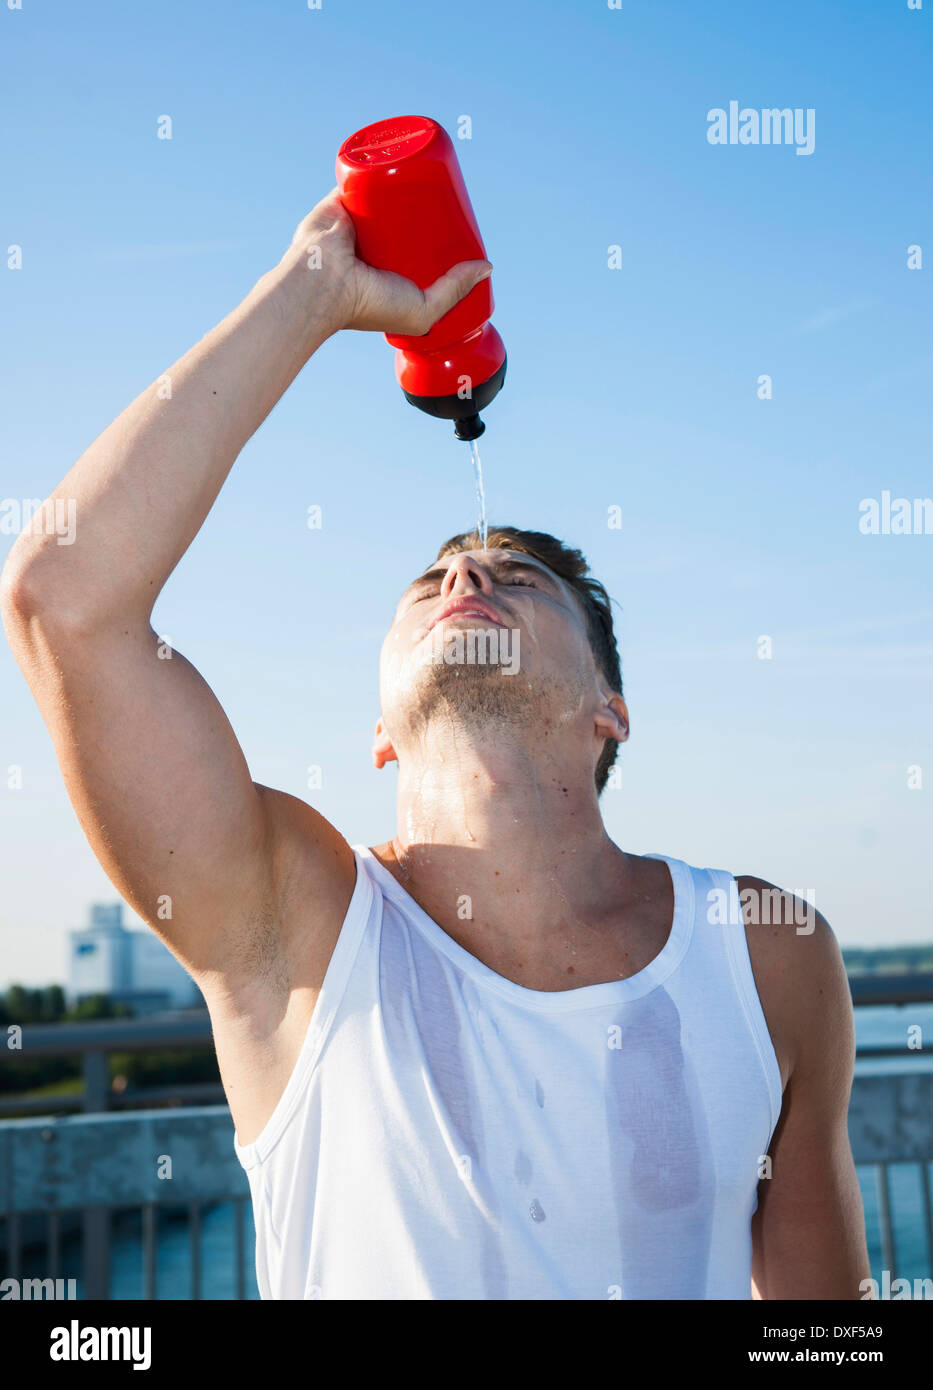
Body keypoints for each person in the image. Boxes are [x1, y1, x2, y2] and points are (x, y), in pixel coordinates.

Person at [0, 189, 870, 1301]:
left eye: (518, 579)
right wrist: (311, 294)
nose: (465, 574)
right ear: (378, 730)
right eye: (432, 580)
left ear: (611, 704)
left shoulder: (769, 953)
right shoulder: (293, 919)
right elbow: (60, 597)